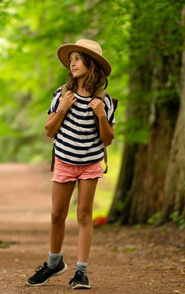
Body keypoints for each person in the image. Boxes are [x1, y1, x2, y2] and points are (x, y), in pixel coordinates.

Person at [26, 39, 115, 289]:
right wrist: (62, 109)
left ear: (91, 64)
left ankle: (81, 271)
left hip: (90, 163)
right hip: (65, 160)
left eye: (78, 58)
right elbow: (49, 131)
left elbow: (107, 139)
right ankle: (54, 263)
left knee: (84, 215)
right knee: (57, 215)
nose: (73, 63)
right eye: (71, 59)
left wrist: (100, 116)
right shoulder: (61, 95)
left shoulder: (104, 101)